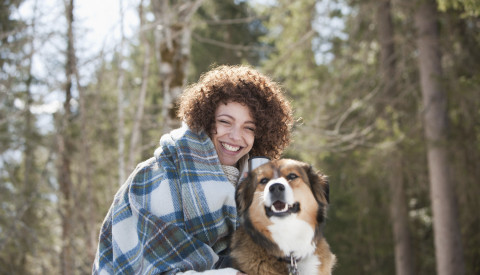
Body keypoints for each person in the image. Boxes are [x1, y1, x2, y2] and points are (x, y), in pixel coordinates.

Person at [93, 65, 294, 274]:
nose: (236, 136)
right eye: (225, 122)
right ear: (205, 120)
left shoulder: (258, 186)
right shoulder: (156, 176)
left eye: (249, 127)